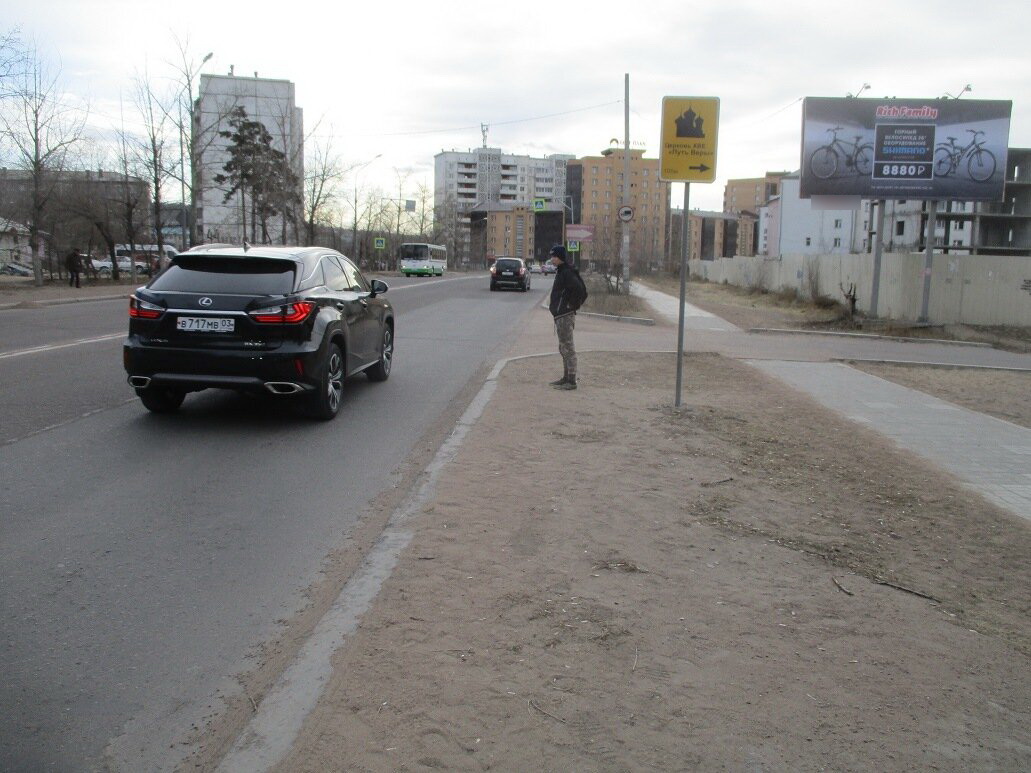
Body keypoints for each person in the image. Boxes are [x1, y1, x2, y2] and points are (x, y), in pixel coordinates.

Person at [547, 244, 579, 390]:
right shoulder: (561, 271)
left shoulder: (567, 272)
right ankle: (566, 377)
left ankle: (571, 381)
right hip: (560, 315)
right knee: (563, 347)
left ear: (559, 257)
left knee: (568, 347)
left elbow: (578, 290)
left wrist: (569, 306)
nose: (552, 258)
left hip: (565, 315)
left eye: (554, 256)